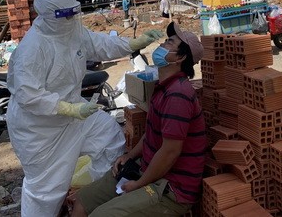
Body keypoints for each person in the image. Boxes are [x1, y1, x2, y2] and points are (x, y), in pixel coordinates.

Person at [6, 0, 163, 217]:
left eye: (73, 12)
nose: (70, 18)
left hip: (72, 114)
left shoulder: (72, 31)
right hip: (39, 128)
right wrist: (68, 109)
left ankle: (93, 195)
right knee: (46, 190)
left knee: (109, 136)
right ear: (48, 16)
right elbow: (29, 95)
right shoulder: (33, 48)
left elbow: (101, 45)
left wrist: (134, 44)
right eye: (64, 14)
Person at [71, 22, 206, 217]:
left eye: (169, 43)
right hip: (146, 170)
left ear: (180, 57)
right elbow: (152, 134)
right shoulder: (162, 87)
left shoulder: (178, 94)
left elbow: (170, 151)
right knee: (81, 201)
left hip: (171, 189)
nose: (161, 45)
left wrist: (139, 184)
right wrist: (129, 156)